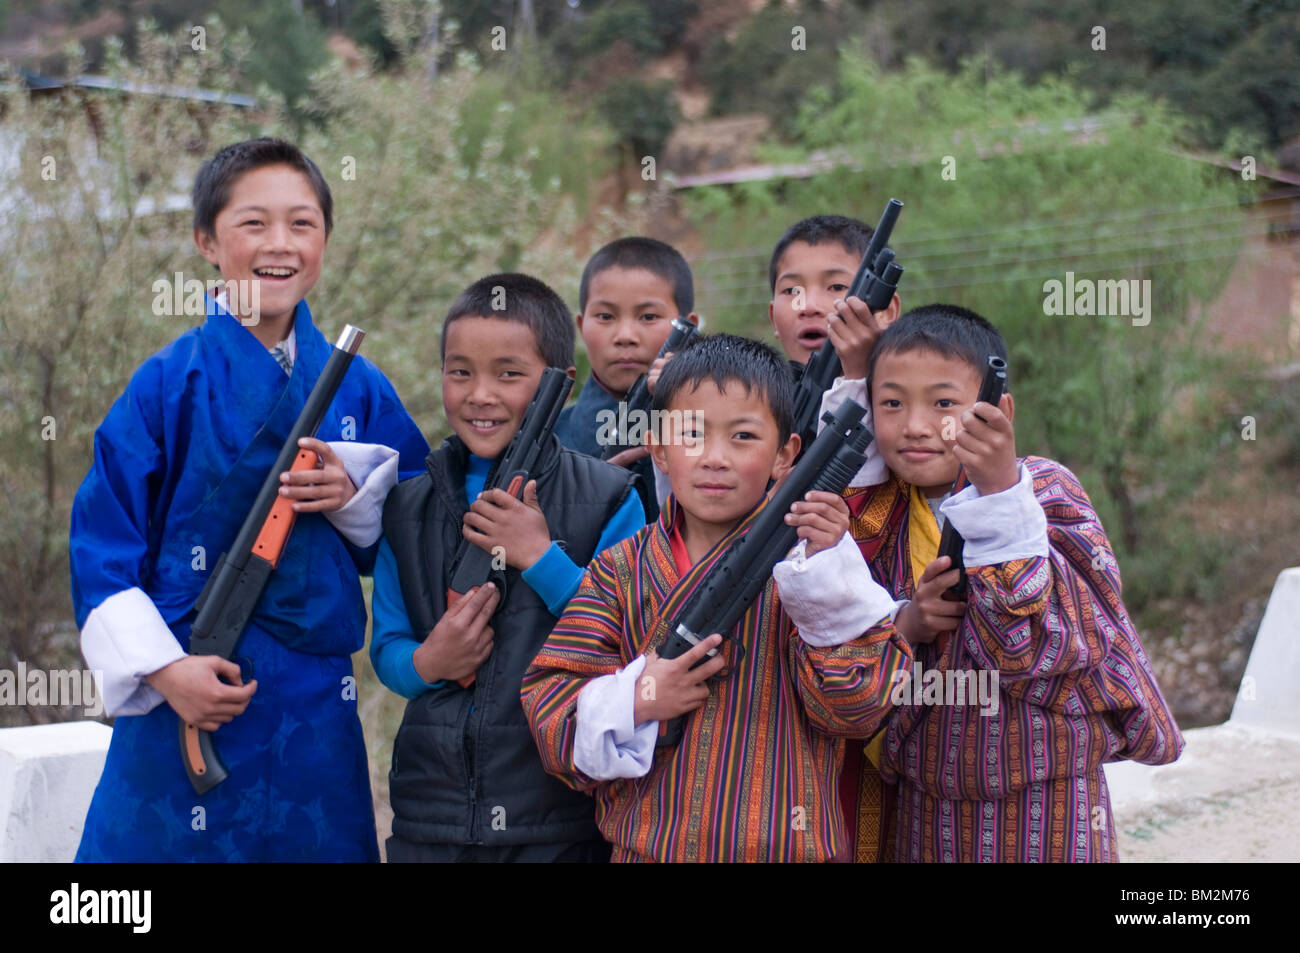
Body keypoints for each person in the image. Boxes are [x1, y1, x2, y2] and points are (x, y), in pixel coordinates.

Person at [70, 137, 429, 861]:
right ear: (206, 240)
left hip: (315, 707)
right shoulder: (165, 384)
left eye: (303, 224)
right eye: (253, 223)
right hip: (186, 685)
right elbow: (103, 552)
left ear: (326, 238)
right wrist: (170, 673)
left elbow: (416, 526)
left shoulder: (357, 385)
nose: (280, 244)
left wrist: (350, 493)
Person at [522, 333, 914, 862]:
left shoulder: (808, 564)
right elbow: (551, 713)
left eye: (744, 437)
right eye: (691, 434)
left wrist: (827, 576)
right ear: (658, 448)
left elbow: (858, 710)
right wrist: (639, 699)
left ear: (785, 456)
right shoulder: (619, 571)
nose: (714, 458)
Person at [824, 303, 1184, 861]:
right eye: (891, 403)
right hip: (928, 797)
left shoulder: (1042, 489)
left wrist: (998, 495)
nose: (916, 425)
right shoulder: (881, 513)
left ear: (999, 411)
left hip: (1052, 792)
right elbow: (839, 613)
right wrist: (909, 622)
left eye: (944, 403)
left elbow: (1058, 635)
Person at [373, 272, 645, 862]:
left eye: (509, 373)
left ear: (561, 384)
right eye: (460, 370)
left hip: (561, 811)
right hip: (430, 818)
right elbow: (388, 648)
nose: (480, 394)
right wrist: (429, 662)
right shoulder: (407, 506)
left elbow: (630, 639)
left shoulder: (610, 497)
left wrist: (541, 558)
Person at [555, 237, 699, 522]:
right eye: (606, 316)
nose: (625, 336)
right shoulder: (550, 442)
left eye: (648, 316)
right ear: (582, 327)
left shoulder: (717, 432)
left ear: (687, 326)